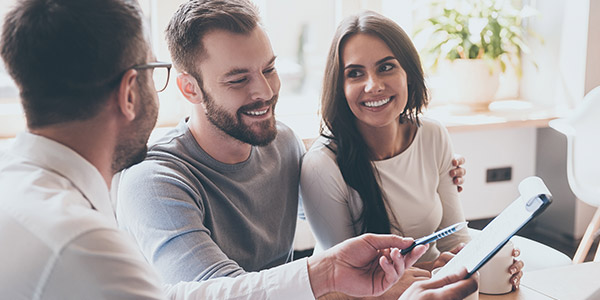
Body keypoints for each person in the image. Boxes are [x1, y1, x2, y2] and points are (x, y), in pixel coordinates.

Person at [0, 0, 462, 299]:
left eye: (270, 69)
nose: (264, 92)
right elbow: (211, 292)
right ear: (185, 87)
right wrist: (336, 280)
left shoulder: (280, 143)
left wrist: (431, 164)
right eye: (238, 79)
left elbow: (330, 187)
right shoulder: (148, 186)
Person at [299, 10, 524, 296]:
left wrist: (488, 262)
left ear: (408, 73)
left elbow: (455, 238)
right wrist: (436, 273)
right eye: (355, 73)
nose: (373, 85)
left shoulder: (432, 135)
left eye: (386, 67)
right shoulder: (322, 165)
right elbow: (343, 282)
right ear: (339, 87)